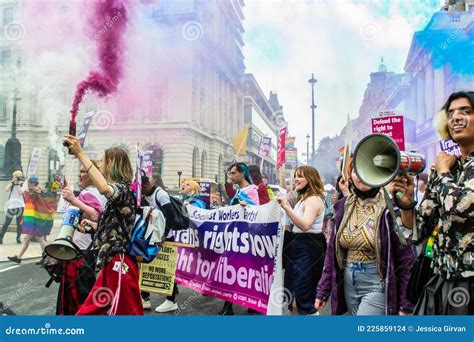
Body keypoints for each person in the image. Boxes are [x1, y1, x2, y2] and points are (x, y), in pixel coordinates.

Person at [393, 91, 474, 315]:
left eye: (466, 112)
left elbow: (459, 210)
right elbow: (417, 232)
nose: (456, 117)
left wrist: (445, 171)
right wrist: (407, 204)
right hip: (440, 282)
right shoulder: (444, 169)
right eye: (451, 114)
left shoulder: (444, 169)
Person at [315, 163, 415, 316]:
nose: (361, 174)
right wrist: (323, 290)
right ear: (349, 176)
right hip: (349, 283)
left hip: (377, 283)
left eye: (367, 168)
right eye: (356, 170)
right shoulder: (342, 207)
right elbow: (332, 254)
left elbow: (406, 259)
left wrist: (405, 304)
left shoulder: (392, 208)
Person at [63, 135, 142, 315]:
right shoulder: (123, 191)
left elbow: (105, 189)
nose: (100, 165)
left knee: (114, 311)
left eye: (103, 161)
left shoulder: (124, 188)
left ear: (112, 163)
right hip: (110, 260)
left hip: (117, 261)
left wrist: (80, 153)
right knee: (102, 309)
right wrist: (94, 227)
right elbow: (115, 227)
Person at [57, 160, 106, 315]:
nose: (80, 174)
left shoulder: (90, 193)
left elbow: (95, 215)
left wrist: (73, 199)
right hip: (81, 251)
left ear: (93, 175)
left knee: (80, 299)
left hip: (82, 253)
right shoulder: (90, 192)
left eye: (84, 171)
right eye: (80, 171)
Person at [277, 166, 326, 315]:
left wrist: (286, 207)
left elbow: (305, 225)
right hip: (297, 246)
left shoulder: (313, 199)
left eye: (300, 176)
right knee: (293, 297)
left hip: (308, 247)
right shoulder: (302, 199)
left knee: (303, 296)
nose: (296, 179)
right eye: (295, 176)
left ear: (310, 179)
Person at [219, 162, 260, 315]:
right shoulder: (238, 192)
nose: (231, 176)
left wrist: (246, 207)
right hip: (235, 236)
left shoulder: (252, 190)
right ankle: (228, 306)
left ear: (243, 174)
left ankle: (253, 304)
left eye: (234, 173)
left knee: (245, 271)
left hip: (247, 238)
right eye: (230, 173)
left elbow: (257, 212)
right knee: (231, 271)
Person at [140, 173, 179, 313]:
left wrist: (164, 235)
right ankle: (145, 298)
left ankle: (171, 300)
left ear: (145, 186)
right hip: (152, 237)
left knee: (166, 267)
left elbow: (171, 216)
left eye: (140, 189)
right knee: (147, 266)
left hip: (165, 238)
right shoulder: (145, 195)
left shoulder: (160, 194)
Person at [7, 176, 51, 264]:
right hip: (35, 219)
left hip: (36, 220)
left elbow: (21, 192)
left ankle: (48, 257)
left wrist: (18, 182)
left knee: (39, 239)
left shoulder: (34, 192)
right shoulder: (36, 191)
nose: (28, 185)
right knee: (28, 238)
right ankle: (19, 257)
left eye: (29, 183)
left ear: (33, 184)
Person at [1, 170, 25, 244]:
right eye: (15, 176)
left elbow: (21, 192)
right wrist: (12, 182)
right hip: (11, 206)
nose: (16, 177)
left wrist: (17, 184)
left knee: (19, 223)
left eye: (17, 176)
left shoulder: (22, 184)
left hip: (20, 206)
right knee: (7, 222)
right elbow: (6, 189)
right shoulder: (11, 184)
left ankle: (18, 237)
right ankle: (1, 237)